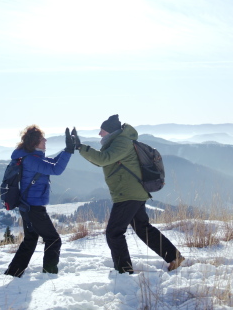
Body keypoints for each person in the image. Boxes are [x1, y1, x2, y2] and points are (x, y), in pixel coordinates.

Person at [71, 114, 184, 274]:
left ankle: (123, 270)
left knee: (114, 233)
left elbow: (103, 159)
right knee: (143, 228)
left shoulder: (121, 143)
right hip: (132, 192)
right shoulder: (118, 141)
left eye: (101, 131)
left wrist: (80, 147)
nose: (99, 134)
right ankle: (174, 257)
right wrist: (81, 147)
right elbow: (101, 161)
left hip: (128, 194)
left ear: (110, 131)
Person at [4, 125, 74, 277]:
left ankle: (13, 273)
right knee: (53, 240)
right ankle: (49, 274)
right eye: (43, 138)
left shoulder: (33, 157)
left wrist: (68, 148)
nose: (45, 140)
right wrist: (68, 150)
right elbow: (56, 169)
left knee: (30, 240)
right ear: (35, 142)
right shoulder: (31, 160)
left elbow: (54, 162)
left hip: (28, 206)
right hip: (33, 208)